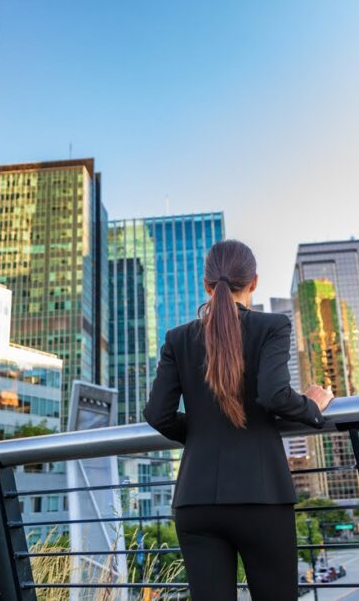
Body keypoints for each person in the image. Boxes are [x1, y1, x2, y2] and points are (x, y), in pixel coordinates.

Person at [143, 239, 334, 600]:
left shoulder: (177, 338)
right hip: (261, 497)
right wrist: (312, 406)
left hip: (195, 502)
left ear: (206, 285)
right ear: (254, 282)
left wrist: (200, 434)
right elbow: (274, 394)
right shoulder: (272, 327)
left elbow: (157, 414)